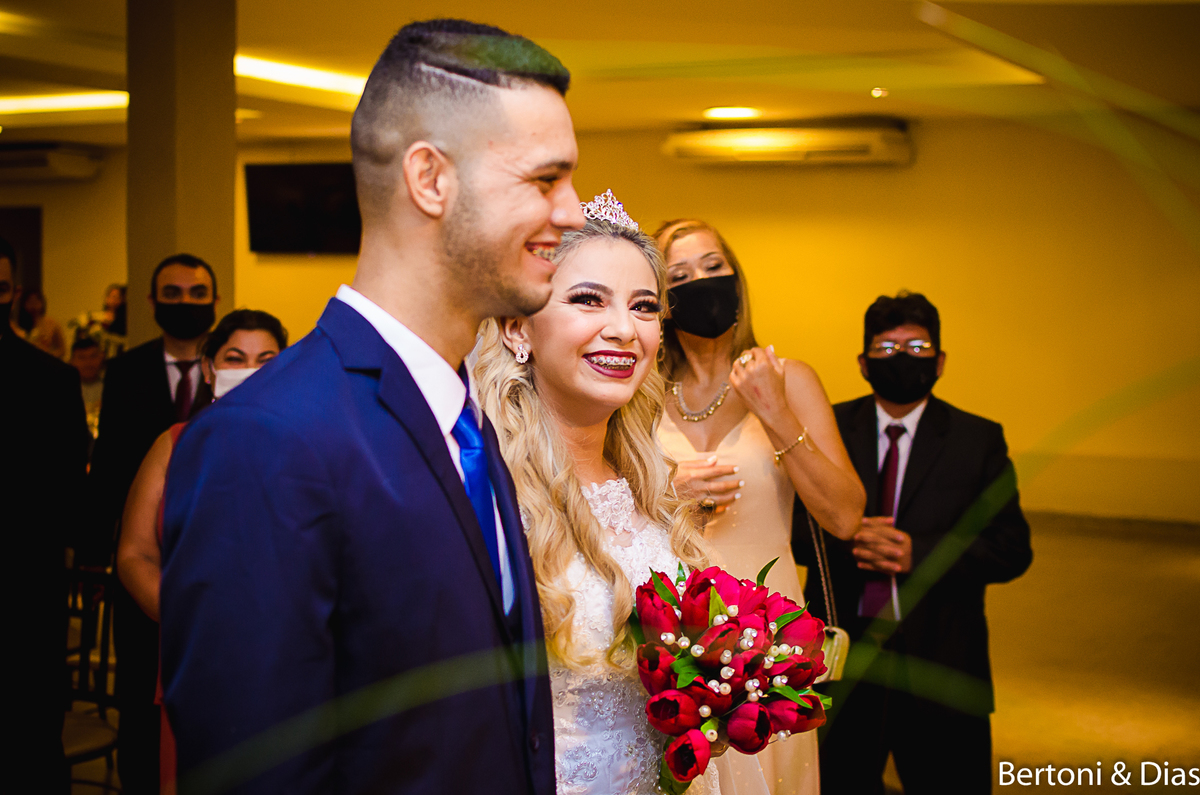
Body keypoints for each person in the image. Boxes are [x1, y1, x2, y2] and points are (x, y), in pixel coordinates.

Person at [160, 19, 584, 794]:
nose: (574, 210)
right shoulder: (268, 441)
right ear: (430, 178)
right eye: (545, 179)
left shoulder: (467, 421)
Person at [478, 197, 744, 795]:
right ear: (517, 327)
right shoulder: (488, 495)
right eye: (588, 299)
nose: (625, 328)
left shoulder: (650, 489)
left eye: (644, 306)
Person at [654, 219, 865, 795]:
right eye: (679, 276)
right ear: (661, 298)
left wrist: (774, 411)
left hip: (767, 633)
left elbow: (844, 516)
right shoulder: (640, 390)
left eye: (713, 267)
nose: (701, 283)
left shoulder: (789, 378)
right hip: (667, 627)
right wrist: (668, 494)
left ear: (736, 280)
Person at [798, 291, 1032, 795]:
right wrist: (847, 535)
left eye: (917, 347)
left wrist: (919, 553)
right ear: (863, 364)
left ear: (940, 361)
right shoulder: (824, 430)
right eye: (885, 348)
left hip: (943, 659)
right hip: (842, 658)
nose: (901, 358)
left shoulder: (977, 440)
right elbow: (791, 529)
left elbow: (1012, 548)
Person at [116, 309, 286, 794]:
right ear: (210, 369)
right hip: (194, 654)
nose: (250, 370)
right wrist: (185, 617)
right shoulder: (173, 445)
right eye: (235, 358)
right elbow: (134, 553)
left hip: (285, 656)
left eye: (266, 359)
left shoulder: (313, 444)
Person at [88, 252, 217, 793]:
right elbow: (108, 471)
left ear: (214, 300)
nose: (186, 303)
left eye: (197, 294)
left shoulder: (235, 371)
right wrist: (102, 557)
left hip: (216, 577)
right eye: (173, 294)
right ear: (152, 302)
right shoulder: (125, 371)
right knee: (141, 707)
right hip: (143, 573)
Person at [0, 249, 90, 792]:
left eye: (0, 288)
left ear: (13, 292)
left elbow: (70, 490)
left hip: (26, 598)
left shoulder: (51, 379)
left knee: (31, 746)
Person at [69, 284, 128, 363]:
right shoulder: (96, 317)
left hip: (115, 355)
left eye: (116, 297)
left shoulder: (124, 320)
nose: (113, 300)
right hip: (95, 355)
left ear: (122, 299)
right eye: (111, 296)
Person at [69, 336, 105, 446]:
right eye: (82, 358)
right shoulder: (65, 391)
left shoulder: (112, 388)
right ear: (72, 361)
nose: (88, 363)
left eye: (93, 356)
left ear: (101, 357)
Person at [15, 287, 67, 359]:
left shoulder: (51, 323)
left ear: (42, 302)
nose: (33, 305)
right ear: (24, 304)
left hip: (46, 362)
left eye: (36, 301)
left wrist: (50, 355)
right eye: (30, 302)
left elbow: (62, 349)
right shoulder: (18, 325)